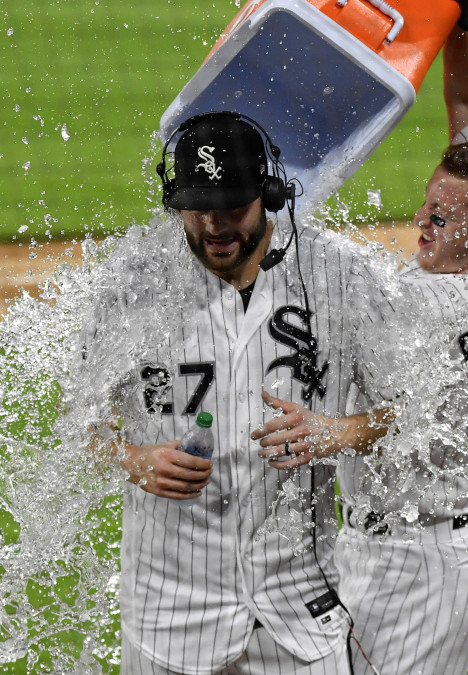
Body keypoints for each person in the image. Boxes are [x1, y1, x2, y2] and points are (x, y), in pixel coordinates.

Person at [252, 6, 468, 672]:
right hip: (386, 544)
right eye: (427, 202)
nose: (421, 220)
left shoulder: (428, 301)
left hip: (423, 572)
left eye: (440, 216)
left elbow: (412, 415)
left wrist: (332, 432)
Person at [89, 111, 394, 674]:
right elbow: (79, 421)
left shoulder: (343, 276)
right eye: (197, 208)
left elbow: (407, 409)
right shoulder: (130, 284)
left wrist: (338, 432)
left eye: (233, 206)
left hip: (301, 616)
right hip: (169, 615)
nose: (214, 225)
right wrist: (130, 458)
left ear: (270, 192)